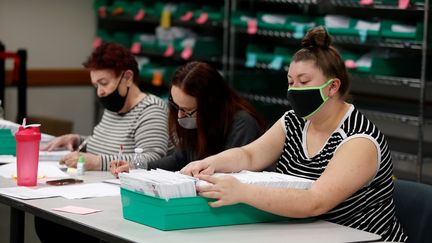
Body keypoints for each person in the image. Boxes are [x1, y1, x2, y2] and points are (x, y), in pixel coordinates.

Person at [180, 27, 408, 242]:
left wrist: (243, 192)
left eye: (304, 82)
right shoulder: (294, 121)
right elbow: (250, 156)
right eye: (290, 82)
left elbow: (315, 202)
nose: (294, 90)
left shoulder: (358, 140)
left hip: (361, 237)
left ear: (332, 87)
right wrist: (209, 163)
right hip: (307, 234)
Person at [110, 61, 266, 175]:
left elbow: (229, 175)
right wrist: (139, 167)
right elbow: (179, 159)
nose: (179, 116)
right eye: (176, 107)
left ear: (210, 106)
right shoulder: (196, 124)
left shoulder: (242, 124)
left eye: (188, 110)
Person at [42, 42, 173, 171]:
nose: (100, 92)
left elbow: (152, 159)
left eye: (104, 83)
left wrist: (97, 162)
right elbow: (107, 145)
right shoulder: (115, 108)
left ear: (127, 78)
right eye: (96, 86)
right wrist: (77, 140)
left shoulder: (152, 110)